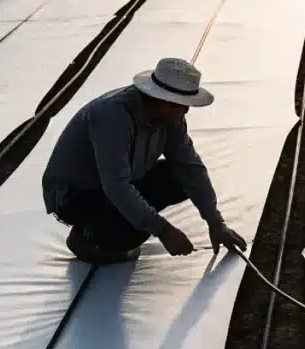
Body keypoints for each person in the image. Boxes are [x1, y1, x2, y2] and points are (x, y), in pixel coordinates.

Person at [41, 57, 247, 265]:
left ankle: (119, 223)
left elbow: (189, 165)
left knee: (178, 178)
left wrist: (216, 222)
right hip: (76, 194)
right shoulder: (113, 116)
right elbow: (116, 185)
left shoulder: (170, 117)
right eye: (181, 105)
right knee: (129, 234)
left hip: (121, 180)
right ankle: (87, 238)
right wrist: (164, 231)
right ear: (161, 100)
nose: (185, 111)